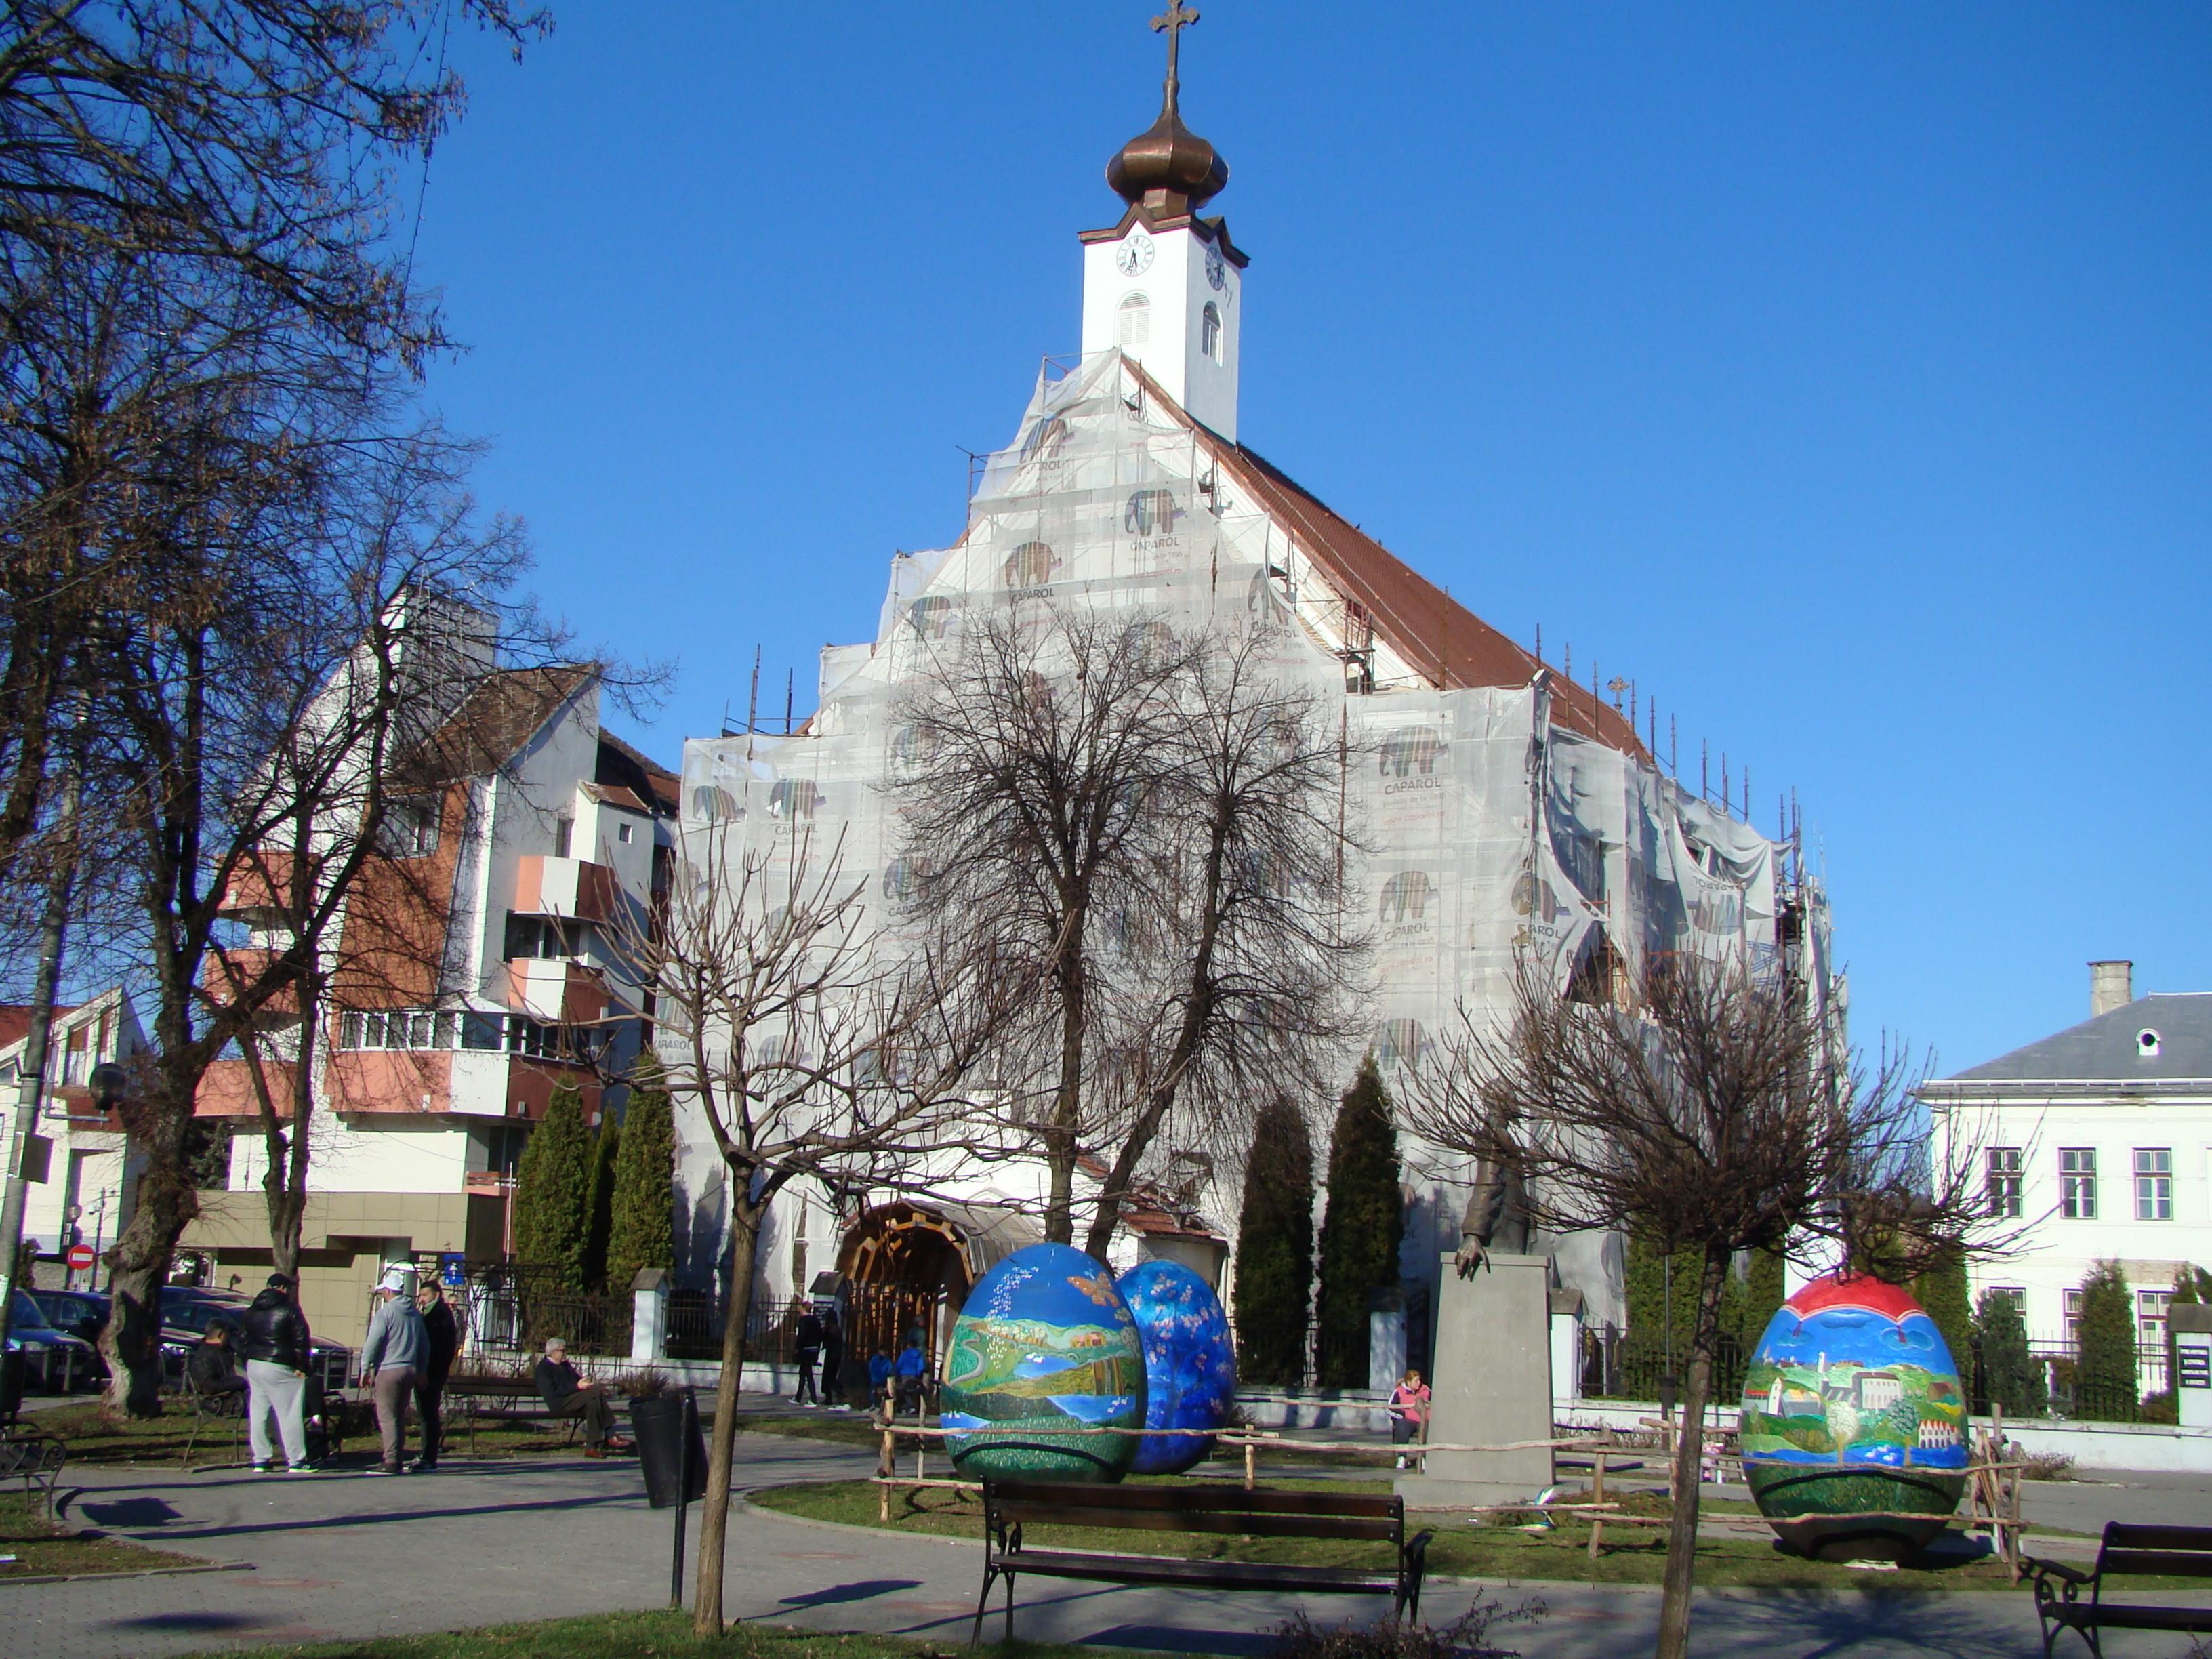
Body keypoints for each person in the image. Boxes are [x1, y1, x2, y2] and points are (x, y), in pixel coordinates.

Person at [241, 1271, 315, 1472]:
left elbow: (243, 1339)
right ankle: (296, 1460)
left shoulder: (252, 1310)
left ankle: (260, 1459)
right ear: (283, 1289)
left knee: (259, 1412)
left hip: (255, 1363)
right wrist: (302, 1367)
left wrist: (247, 1359)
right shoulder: (290, 1309)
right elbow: (301, 1340)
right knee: (289, 1413)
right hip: (280, 1364)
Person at [359, 1265, 430, 1475]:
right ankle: (397, 1457)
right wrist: (422, 1369)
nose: (382, 1294)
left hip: (389, 1369)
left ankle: (390, 1460)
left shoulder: (386, 1313)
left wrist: (365, 1368)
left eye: (383, 1291)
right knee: (399, 1415)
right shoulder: (415, 1315)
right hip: (410, 1368)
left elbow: (373, 1342)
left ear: (389, 1291)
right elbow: (425, 1345)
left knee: (387, 1416)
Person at [533, 1337, 630, 1457]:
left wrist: (584, 1382)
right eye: (563, 1350)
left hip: (574, 1399)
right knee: (596, 1391)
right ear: (553, 1352)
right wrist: (576, 1386)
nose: (565, 1353)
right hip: (559, 1402)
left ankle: (591, 1447)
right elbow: (553, 1392)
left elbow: (577, 1381)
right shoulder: (543, 1369)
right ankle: (611, 1435)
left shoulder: (565, 1365)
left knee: (593, 1404)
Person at [413, 1282, 461, 1471]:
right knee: (426, 1414)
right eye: (420, 1295)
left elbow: (437, 1347)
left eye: (425, 1295)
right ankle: (427, 1453)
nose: (421, 1299)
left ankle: (429, 1456)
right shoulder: (432, 1313)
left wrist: (426, 1371)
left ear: (436, 1294)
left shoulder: (439, 1314)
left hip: (432, 1371)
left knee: (428, 1414)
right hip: (431, 1370)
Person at [186, 1319, 248, 1405]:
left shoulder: (223, 1350)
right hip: (220, 1402)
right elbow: (209, 1386)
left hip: (233, 1396)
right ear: (221, 1335)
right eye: (227, 1334)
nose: (229, 1338)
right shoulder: (204, 1356)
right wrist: (240, 1382)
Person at [1388, 1368, 1431, 1470]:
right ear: (1408, 1382)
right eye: (1416, 1381)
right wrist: (1402, 1415)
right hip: (1408, 1421)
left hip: (1424, 1420)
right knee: (1402, 1426)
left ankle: (1423, 1458)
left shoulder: (1425, 1390)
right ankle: (1402, 1458)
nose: (1419, 1383)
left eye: (1419, 1380)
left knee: (1428, 1429)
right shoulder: (1399, 1391)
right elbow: (1389, 1407)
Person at [792, 1305, 823, 1406]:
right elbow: (820, 1336)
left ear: (803, 1309)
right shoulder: (816, 1321)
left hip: (806, 1350)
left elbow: (802, 1336)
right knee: (803, 1373)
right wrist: (817, 1350)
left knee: (808, 1374)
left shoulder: (803, 1321)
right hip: (814, 1349)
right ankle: (798, 1397)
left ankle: (813, 1399)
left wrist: (797, 1348)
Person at [893, 1332, 928, 1416]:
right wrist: (918, 1374)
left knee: (904, 1391)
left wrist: (897, 1373)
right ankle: (912, 1407)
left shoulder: (905, 1354)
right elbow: (921, 1366)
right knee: (913, 1391)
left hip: (904, 1375)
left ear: (909, 1345)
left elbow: (899, 1365)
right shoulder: (919, 1355)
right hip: (914, 1375)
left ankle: (910, 1406)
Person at [819, 1305, 844, 1409]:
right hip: (835, 1355)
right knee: (830, 1378)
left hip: (832, 1356)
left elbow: (826, 1338)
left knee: (829, 1378)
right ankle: (831, 1396)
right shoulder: (836, 1329)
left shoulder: (832, 1330)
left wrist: (823, 1331)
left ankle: (839, 1391)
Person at [867, 1348, 893, 1413]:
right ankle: (876, 1405)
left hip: (878, 1379)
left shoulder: (876, 1359)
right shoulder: (886, 1360)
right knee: (877, 1392)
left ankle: (877, 1405)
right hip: (878, 1379)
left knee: (877, 1392)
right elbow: (890, 1370)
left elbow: (870, 1367)